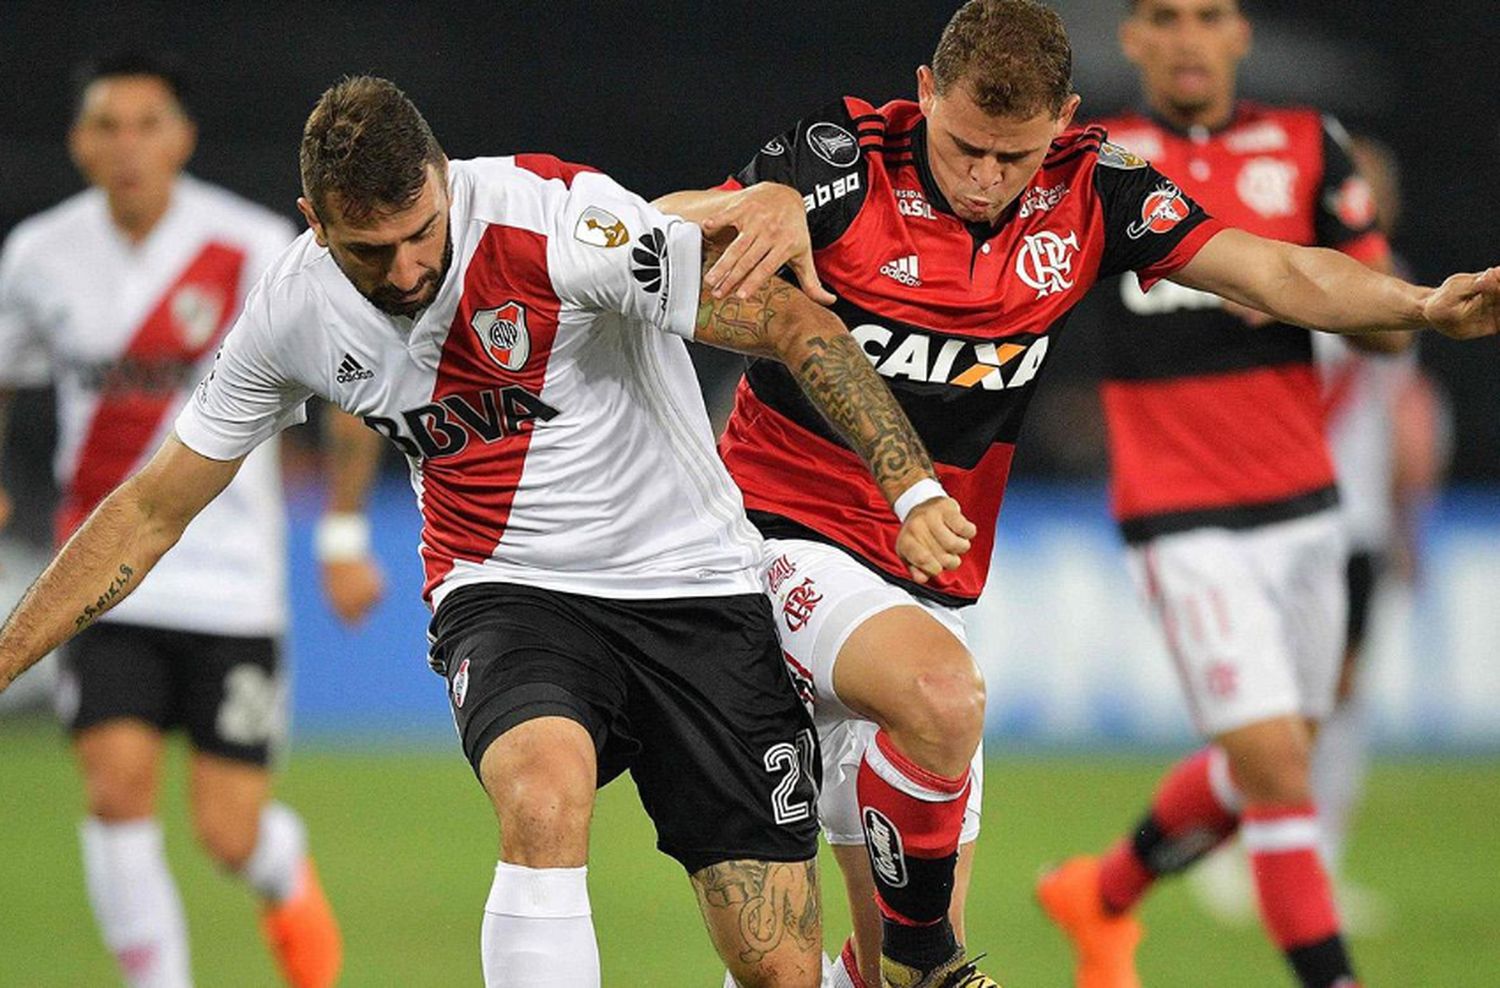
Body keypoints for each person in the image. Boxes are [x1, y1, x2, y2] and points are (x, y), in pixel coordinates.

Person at [0, 75, 976, 988]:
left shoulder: (556, 221)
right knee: (543, 798)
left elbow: (794, 326)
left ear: (443, 182)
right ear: (316, 224)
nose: (408, 267)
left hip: (697, 583)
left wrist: (912, 488)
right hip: (506, 589)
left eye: (421, 233)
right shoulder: (293, 309)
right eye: (368, 251)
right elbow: (149, 506)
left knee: (778, 965)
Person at [656, 2, 1498, 986]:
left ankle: (911, 956)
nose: (982, 178)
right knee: (938, 710)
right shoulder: (839, 162)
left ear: (1064, 121)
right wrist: (730, 206)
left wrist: (1422, 305)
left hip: (932, 577)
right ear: (925, 94)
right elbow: (640, 237)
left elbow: (1270, 270)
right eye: (964, 145)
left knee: (876, 959)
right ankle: (934, 958)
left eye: (1011, 157)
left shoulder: (1097, 189)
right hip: (779, 540)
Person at [1026, 2, 1448, 986]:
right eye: (1163, 18)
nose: (1186, 36)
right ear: (1132, 38)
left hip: (1308, 503)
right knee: (1274, 761)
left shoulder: (1309, 145)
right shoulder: (1095, 159)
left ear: (1238, 33)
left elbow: (1385, 327)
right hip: (1180, 507)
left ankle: (1103, 890)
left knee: (1270, 755)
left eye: (1207, 15)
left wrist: (1348, 293)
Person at [0, 54, 387, 988]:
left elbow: (353, 387)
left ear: (181, 137)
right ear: (79, 142)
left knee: (229, 831)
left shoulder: (253, 248)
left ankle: (280, 864)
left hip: (231, 584)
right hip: (103, 572)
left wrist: (340, 537)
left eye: (147, 124)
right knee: (114, 791)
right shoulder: (38, 257)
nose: (128, 145)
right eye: (108, 125)